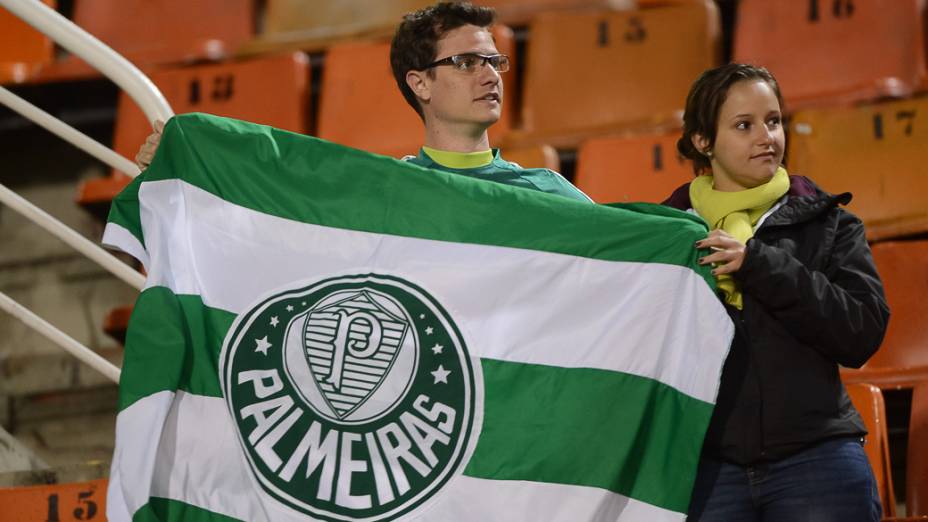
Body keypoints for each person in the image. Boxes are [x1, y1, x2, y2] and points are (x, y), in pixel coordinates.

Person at [663, 63, 889, 521]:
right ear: (704, 141)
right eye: (744, 125)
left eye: (773, 120)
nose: (767, 137)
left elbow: (861, 333)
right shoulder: (667, 235)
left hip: (816, 455)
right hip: (707, 467)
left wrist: (758, 263)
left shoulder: (830, 224)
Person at [135, 2, 591, 203]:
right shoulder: (381, 191)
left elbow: (632, 259)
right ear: (421, 84)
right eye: (469, 62)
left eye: (495, 61)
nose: (491, 74)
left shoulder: (548, 191)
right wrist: (184, 167)